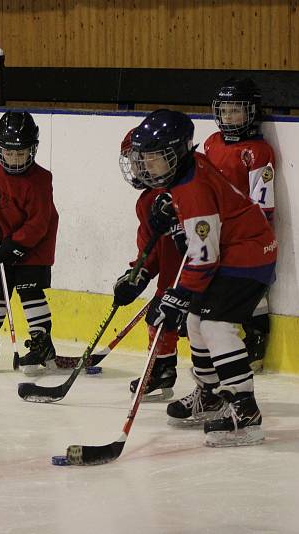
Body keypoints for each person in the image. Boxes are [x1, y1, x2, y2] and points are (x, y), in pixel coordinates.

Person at [127, 109, 277, 447]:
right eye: (144, 158)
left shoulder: (191, 188)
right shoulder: (188, 168)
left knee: (214, 325)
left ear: (177, 153)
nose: (147, 166)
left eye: (156, 158)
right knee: (196, 321)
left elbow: (204, 258)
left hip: (248, 255)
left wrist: (177, 296)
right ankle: (210, 396)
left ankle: (244, 408)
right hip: (236, 250)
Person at [0, 111, 59, 375]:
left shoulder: (40, 180)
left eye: (21, 153)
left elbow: (39, 223)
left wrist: (16, 246)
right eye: (9, 153)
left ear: (32, 150)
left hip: (35, 245)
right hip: (3, 237)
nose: (15, 159)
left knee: (29, 290)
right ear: (0, 149)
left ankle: (42, 343)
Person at [204, 78, 277, 372]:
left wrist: (239, 231)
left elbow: (262, 203)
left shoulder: (258, 152)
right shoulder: (211, 143)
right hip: (214, 231)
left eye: (236, 110)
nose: (229, 117)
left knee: (248, 288)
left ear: (252, 112)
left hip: (245, 236)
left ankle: (255, 339)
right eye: (224, 110)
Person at [112, 128, 185, 401]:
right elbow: (150, 247)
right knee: (158, 315)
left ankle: (217, 387)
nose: (137, 168)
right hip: (172, 278)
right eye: (133, 162)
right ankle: (162, 372)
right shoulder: (146, 201)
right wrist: (139, 273)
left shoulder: (183, 187)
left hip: (202, 273)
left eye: (141, 161)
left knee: (204, 328)